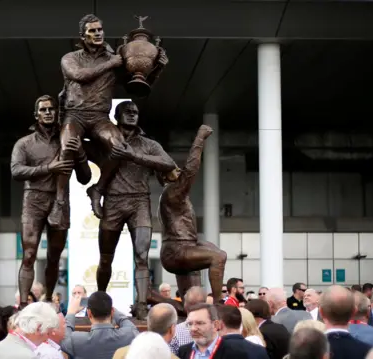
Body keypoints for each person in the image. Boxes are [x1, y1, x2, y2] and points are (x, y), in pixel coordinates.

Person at [50, 13, 167, 228]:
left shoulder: (114, 58)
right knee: (67, 146)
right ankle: (59, 201)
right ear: (83, 36)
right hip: (74, 115)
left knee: (120, 146)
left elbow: (138, 88)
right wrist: (112, 63)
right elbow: (79, 76)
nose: (97, 34)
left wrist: (157, 68)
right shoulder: (71, 58)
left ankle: (98, 190)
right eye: (92, 31)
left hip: (99, 118)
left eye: (100, 30)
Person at [92, 100, 176, 318]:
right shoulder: (106, 140)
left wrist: (134, 156)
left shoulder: (148, 144)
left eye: (135, 112)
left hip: (140, 202)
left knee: (141, 256)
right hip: (113, 202)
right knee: (105, 257)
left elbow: (168, 164)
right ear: (117, 116)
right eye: (127, 112)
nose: (132, 115)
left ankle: (140, 304)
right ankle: (100, 297)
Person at [11, 94, 91, 307]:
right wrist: (48, 168)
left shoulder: (68, 141)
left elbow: (85, 178)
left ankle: (47, 298)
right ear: (36, 114)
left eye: (51, 109)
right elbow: (16, 171)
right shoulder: (25, 143)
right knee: (29, 254)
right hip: (33, 200)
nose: (47, 112)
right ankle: (23, 304)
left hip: (60, 200)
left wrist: (80, 152)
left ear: (58, 113)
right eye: (43, 109)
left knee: (55, 255)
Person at [158, 125, 227, 302]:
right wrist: (200, 139)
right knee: (218, 256)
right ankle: (218, 302)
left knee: (193, 302)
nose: (179, 171)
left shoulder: (174, 195)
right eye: (174, 170)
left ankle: (183, 305)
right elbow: (191, 170)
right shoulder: (173, 192)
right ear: (165, 177)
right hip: (177, 251)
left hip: (181, 249)